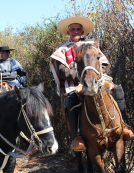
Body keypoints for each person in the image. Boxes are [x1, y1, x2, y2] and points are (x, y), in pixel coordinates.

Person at [50, 16, 134, 152]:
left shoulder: (92, 46)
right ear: (68, 32)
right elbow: (61, 71)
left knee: (118, 90)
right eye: (73, 29)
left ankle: (123, 126)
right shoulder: (61, 50)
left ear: (82, 32)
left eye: (78, 29)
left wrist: (94, 75)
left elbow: (104, 64)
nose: (75, 32)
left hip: (96, 80)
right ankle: (77, 137)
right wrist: (82, 76)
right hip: (75, 83)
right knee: (71, 100)